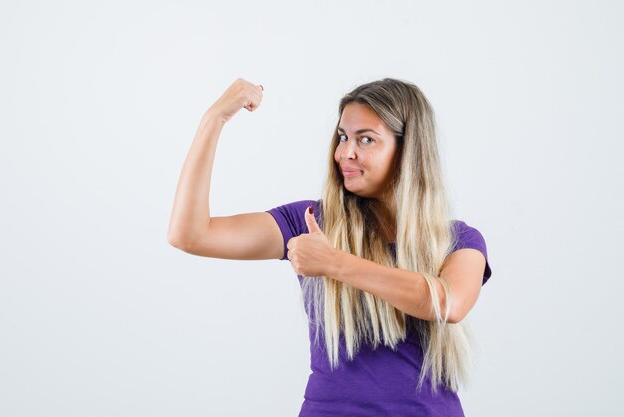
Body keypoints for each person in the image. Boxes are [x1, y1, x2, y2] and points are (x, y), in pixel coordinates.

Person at [167, 77, 492, 417]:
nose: (344, 153)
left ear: (408, 150)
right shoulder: (310, 222)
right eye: (342, 137)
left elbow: (446, 303)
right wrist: (213, 119)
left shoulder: (457, 240)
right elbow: (190, 234)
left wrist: (334, 262)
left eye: (366, 139)